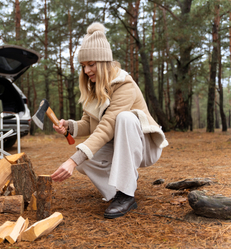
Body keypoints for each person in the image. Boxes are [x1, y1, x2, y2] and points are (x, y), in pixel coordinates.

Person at [50, 22, 168, 219]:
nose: (86, 70)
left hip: (145, 147)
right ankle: (118, 191)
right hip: (118, 146)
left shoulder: (124, 85)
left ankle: (127, 194)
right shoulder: (95, 88)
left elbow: (107, 126)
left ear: (104, 61)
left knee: (125, 118)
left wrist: (71, 160)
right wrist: (69, 126)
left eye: (91, 64)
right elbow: (89, 123)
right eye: (83, 66)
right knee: (83, 163)